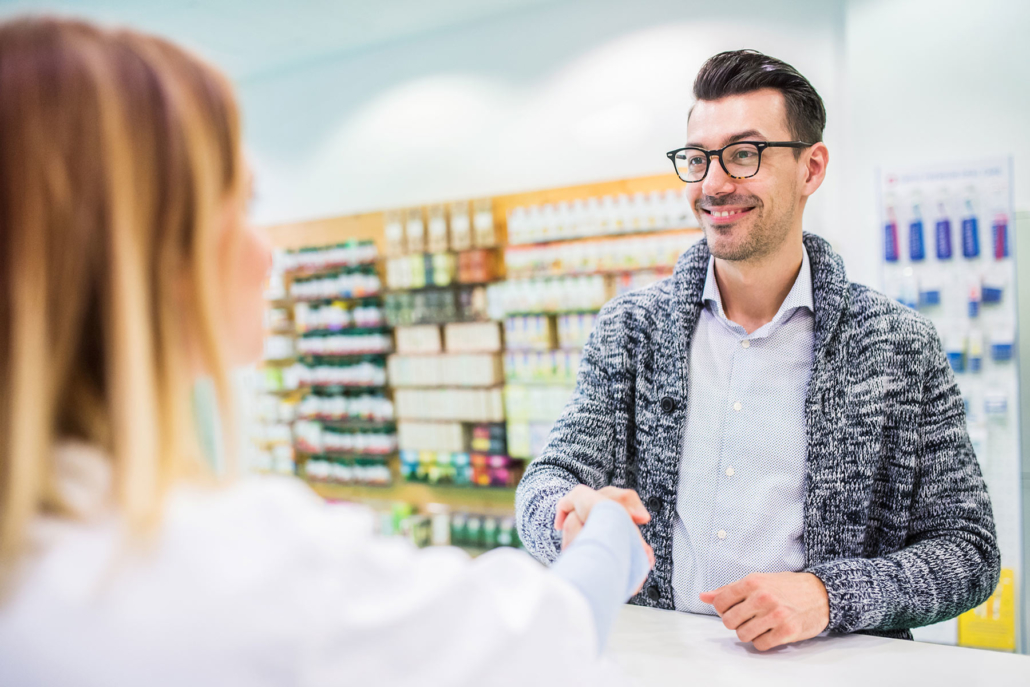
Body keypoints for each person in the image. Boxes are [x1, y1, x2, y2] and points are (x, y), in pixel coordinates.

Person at [0, 17, 654, 687]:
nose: (267, 253)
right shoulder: (232, 562)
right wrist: (607, 533)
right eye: (242, 206)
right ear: (152, 254)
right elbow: (543, 638)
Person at [516, 49, 1000, 651]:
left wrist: (829, 595)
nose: (714, 183)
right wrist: (567, 513)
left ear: (810, 168)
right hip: (657, 664)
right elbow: (547, 482)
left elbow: (968, 551)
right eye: (698, 159)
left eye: (744, 155)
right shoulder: (630, 330)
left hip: (831, 669)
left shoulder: (898, 345)